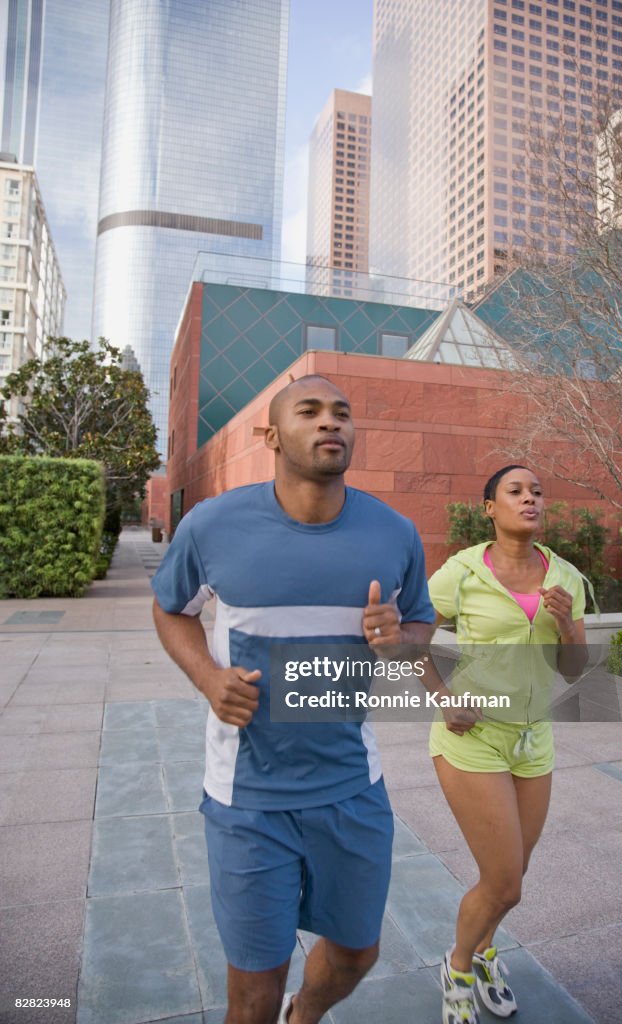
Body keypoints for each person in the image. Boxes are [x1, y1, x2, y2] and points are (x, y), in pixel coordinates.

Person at [151, 374, 435, 1024]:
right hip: (247, 801)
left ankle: (303, 1015)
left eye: (342, 412)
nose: (330, 422)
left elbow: (420, 624)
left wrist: (400, 640)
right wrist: (208, 678)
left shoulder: (394, 532)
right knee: (253, 992)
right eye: (309, 411)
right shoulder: (214, 526)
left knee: (357, 956)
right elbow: (171, 611)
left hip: (353, 791)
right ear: (273, 435)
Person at [427, 465, 588, 1024]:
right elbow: (409, 641)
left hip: (533, 739)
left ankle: (488, 955)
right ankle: (459, 969)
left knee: (509, 879)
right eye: (515, 491)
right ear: (490, 508)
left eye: (538, 491)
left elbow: (575, 670)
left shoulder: (565, 576)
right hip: (473, 738)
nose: (530, 499)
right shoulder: (462, 572)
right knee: (505, 882)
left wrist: (568, 626)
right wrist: (445, 698)